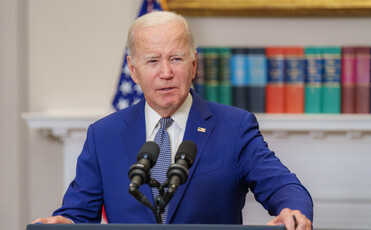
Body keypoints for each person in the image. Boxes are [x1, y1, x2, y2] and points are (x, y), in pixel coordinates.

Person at [32, 11, 313, 229]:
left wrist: (293, 210)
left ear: (193, 65)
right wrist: (64, 224)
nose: (166, 72)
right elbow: (78, 213)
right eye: (153, 61)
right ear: (133, 69)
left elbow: (283, 185)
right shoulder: (103, 135)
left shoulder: (234, 127)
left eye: (176, 58)